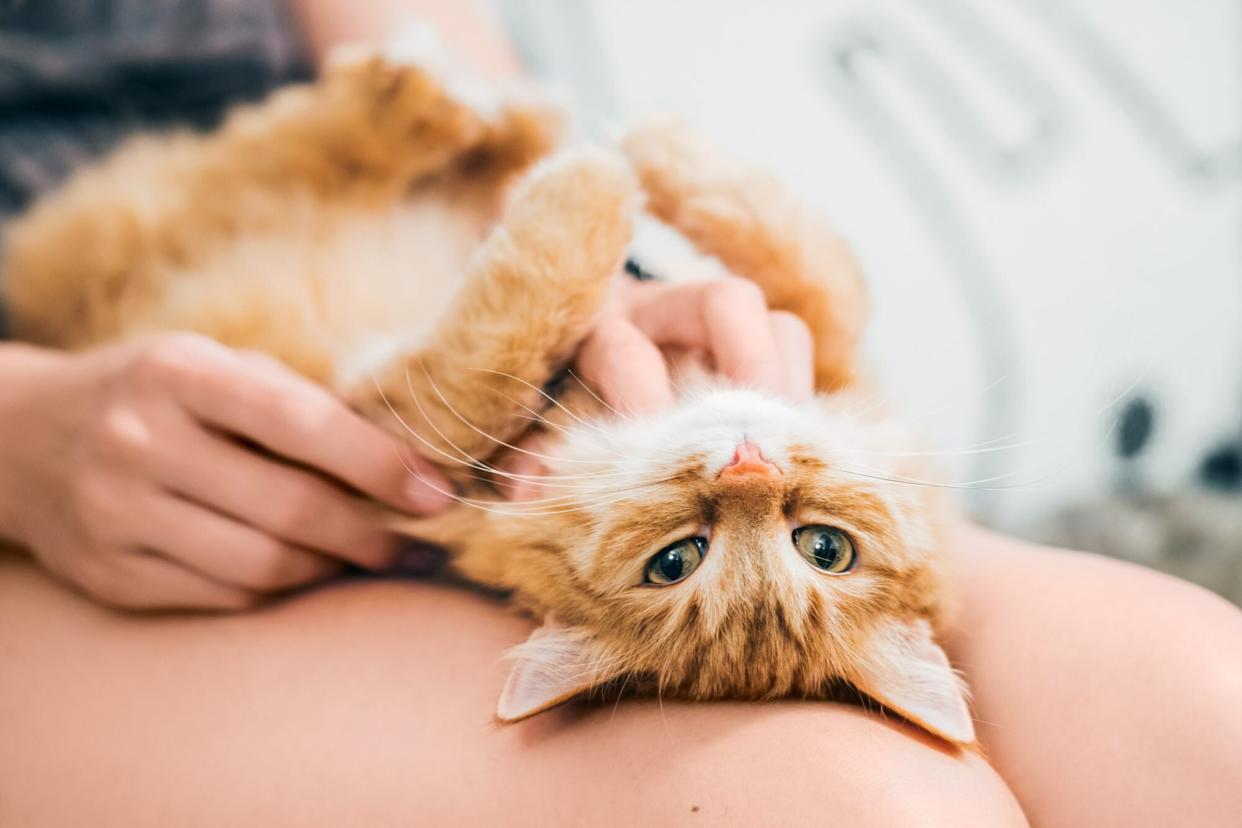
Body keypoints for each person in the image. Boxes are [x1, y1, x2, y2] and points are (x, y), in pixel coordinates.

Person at [0, 2, 1239, 825]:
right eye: (805, 537)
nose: (755, 480)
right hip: (47, 469)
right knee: (837, 805)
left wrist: (603, 303)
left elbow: (459, 88)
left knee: (1193, 705)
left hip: (355, 220)